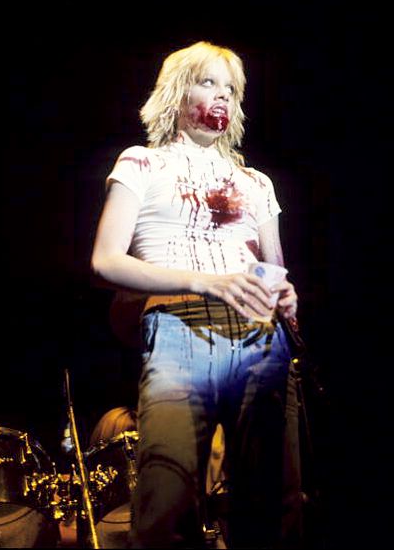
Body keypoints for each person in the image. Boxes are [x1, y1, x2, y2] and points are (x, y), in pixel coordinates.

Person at [91, 41, 302, 548]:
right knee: (168, 493)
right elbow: (105, 261)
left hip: (259, 334)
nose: (222, 96)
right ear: (177, 92)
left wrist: (287, 297)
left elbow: (274, 270)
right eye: (208, 82)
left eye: (231, 88)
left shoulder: (256, 182)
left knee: (275, 499)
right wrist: (206, 280)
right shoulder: (141, 163)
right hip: (179, 326)